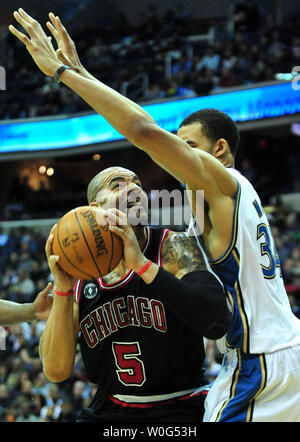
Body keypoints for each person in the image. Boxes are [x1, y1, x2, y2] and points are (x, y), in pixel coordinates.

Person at [9, 9, 300, 422]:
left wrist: (61, 73)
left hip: (261, 361)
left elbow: (143, 132)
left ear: (217, 150)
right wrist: (81, 71)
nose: (175, 155)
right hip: (263, 354)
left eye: (186, 145)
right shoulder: (216, 208)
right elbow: (54, 367)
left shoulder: (214, 192)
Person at [39, 165, 231, 422]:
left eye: (138, 183)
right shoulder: (80, 271)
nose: (134, 188)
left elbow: (217, 321)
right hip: (111, 407)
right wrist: (63, 288)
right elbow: (56, 370)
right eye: (118, 185)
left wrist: (142, 265)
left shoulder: (173, 246)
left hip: (181, 405)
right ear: (95, 208)